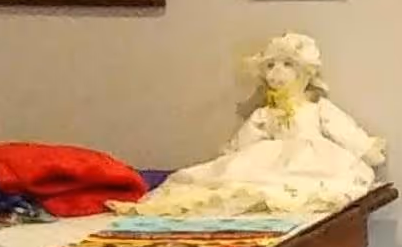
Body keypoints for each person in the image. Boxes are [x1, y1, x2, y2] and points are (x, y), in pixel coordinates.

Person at [131, 33, 386, 216]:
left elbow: (344, 131)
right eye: (272, 66)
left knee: (314, 187)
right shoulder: (265, 115)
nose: (277, 74)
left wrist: (365, 150)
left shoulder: (317, 109)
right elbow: (244, 144)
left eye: (288, 65)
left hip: (313, 160)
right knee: (247, 182)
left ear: (306, 73)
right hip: (269, 160)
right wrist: (230, 157)